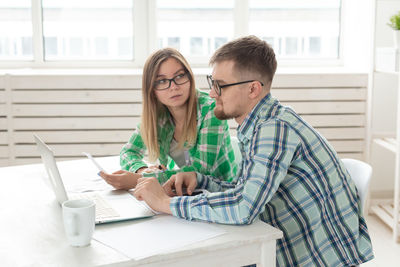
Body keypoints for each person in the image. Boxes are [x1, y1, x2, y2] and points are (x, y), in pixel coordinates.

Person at [132, 36, 374, 266]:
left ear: (253, 90)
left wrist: (165, 203)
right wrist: (200, 180)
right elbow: (245, 191)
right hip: (288, 240)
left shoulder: (274, 129)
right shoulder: (259, 125)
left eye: (220, 85)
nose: (212, 92)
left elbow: (243, 208)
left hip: (313, 256)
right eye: (212, 82)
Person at [100, 48, 237, 191]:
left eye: (179, 76)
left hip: (220, 193)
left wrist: (141, 180)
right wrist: (141, 170)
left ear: (189, 77)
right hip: (182, 192)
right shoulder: (158, 116)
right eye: (162, 81)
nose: (174, 87)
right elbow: (129, 152)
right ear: (152, 90)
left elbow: (200, 171)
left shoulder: (211, 109)